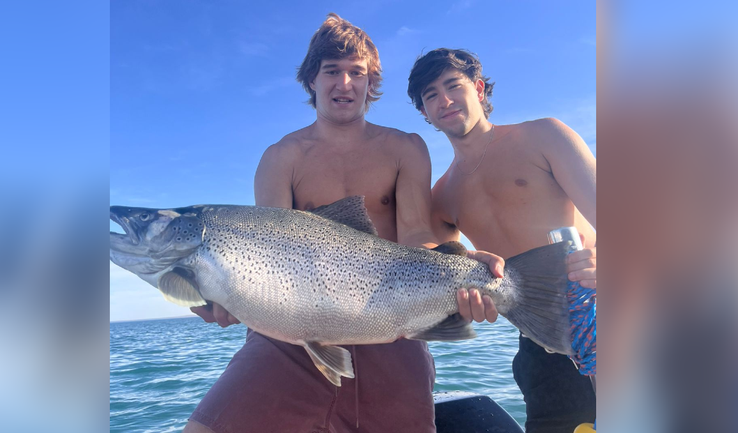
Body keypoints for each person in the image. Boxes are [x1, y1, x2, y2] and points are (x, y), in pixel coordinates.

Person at [183, 15, 504, 433]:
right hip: (290, 334)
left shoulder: (405, 147)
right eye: (332, 71)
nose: (345, 84)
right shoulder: (281, 157)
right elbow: (265, 260)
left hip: (391, 326)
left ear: (372, 84)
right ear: (310, 80)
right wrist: (229, 298)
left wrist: (462, 269)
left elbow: (415, 237)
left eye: (359, 73)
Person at [407, 48, 597, 433]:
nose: (443, 100)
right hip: (540, 342)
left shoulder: (543, 135)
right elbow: (437, 265)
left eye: (452, 86)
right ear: (424, 113)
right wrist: (466, 301)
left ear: (478, 89)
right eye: (430, 95)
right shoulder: (441, 197)